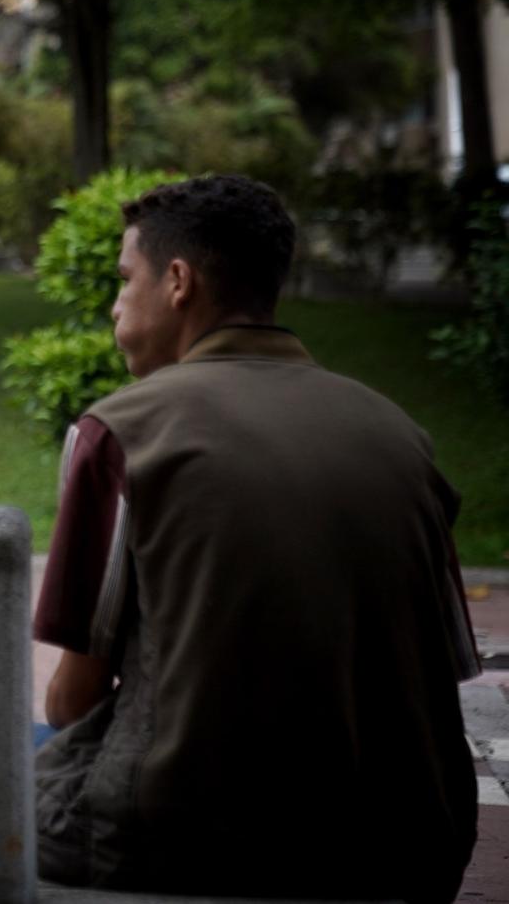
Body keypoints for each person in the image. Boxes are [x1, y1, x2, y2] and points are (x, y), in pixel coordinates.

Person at [33, 175, 477, 900]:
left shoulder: (120, 432)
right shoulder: (402, 437)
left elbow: (73, 699)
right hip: (410, 842)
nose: (116, 303)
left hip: (185, 842)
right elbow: (448, 663)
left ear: (178, 281)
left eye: (124, 279)